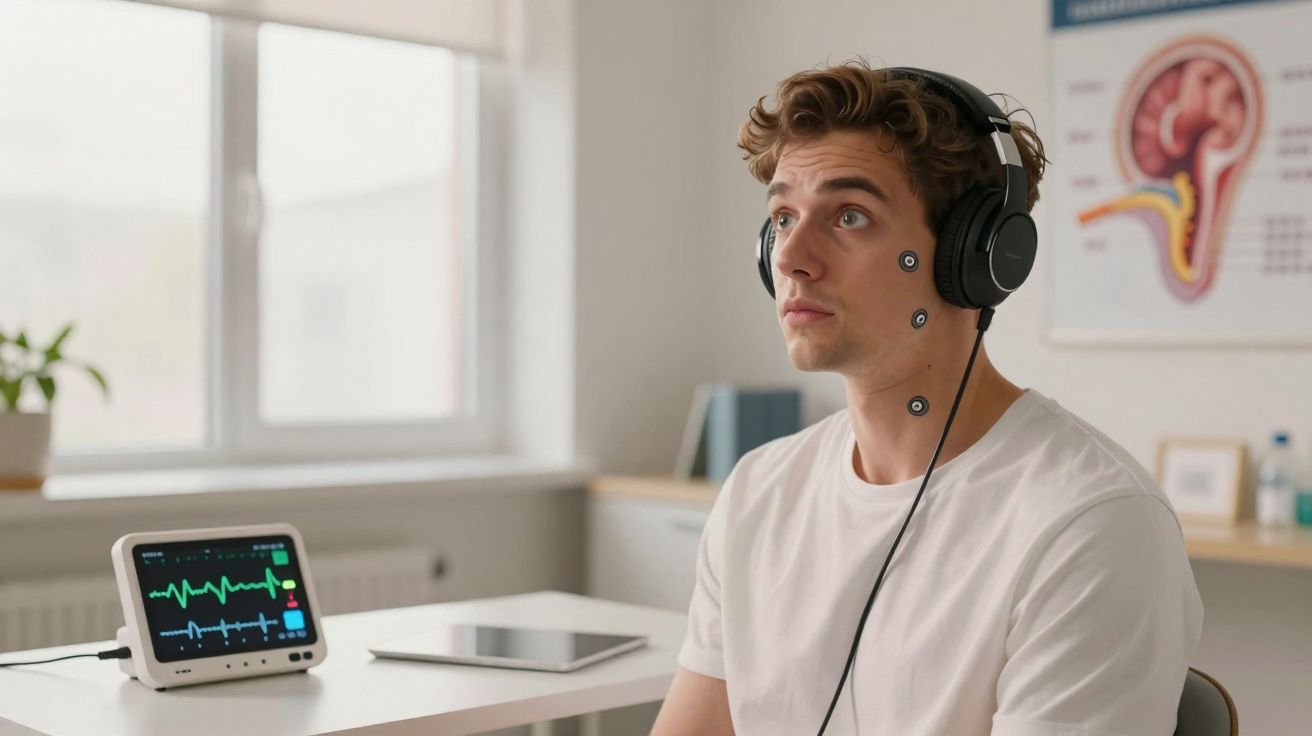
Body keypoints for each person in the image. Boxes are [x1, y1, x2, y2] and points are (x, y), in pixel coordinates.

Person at [650, 60, 1203, 736]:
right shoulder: (757, 494)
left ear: (976, 257)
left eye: (849, 215)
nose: (792, 256)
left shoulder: (1091, 525)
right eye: (784, 216)